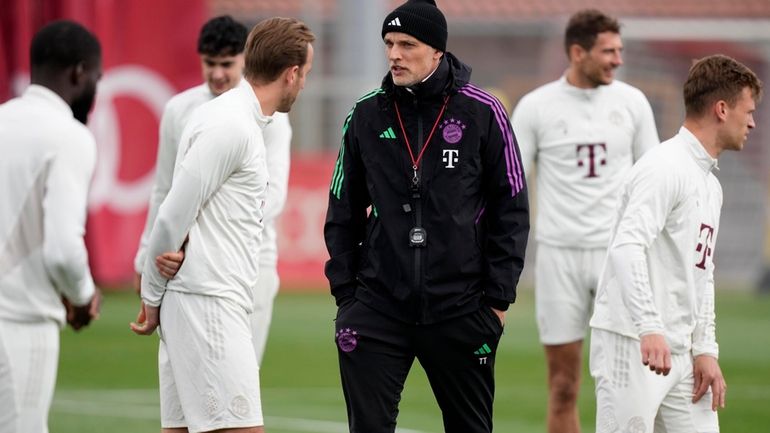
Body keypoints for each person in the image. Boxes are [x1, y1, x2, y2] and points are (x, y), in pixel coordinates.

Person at [324, 1, 529, 431]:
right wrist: (348, 296)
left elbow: (512, 206)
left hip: (461, 309)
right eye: (389, 44)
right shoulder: (365, 114)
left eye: (407, 44)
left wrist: (496, 301)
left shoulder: (483, 111)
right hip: (378, 307)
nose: (394, 54)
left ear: (437, 51)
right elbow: (342, 207)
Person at [130, 17, 314, 433]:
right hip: (209, 303)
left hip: (207, 298)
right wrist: (152, 297)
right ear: (291, 73)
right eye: (305, 74)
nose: (304, 84)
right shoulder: (231, 125)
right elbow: (172, 212)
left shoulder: (235, 118)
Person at [590, 54, 762, 433]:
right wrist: (649, 327)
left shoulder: (710, 184)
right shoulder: (663, 167)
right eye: (748, 111)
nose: (752, 122)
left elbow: (703, 272)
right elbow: (627, 246)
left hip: (681, 353)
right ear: (721, 109)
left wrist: (706, 349)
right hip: (632, 342)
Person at [509, 10, 659, 433]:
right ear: (577, 52)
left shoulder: (632, 103)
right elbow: (511, 185)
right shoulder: (536, 107)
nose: (618, 59)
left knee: (633, 387)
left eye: (619, 50)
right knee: (562, 385)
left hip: (620, 258)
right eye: (608, 51)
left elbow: (654, 180)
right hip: (559, 258)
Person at [0, 20, 103, 433]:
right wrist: (82, 295)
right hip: (20, 323)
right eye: (97, 77)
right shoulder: (69, 136)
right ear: (79, 72)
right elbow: (62, 248)